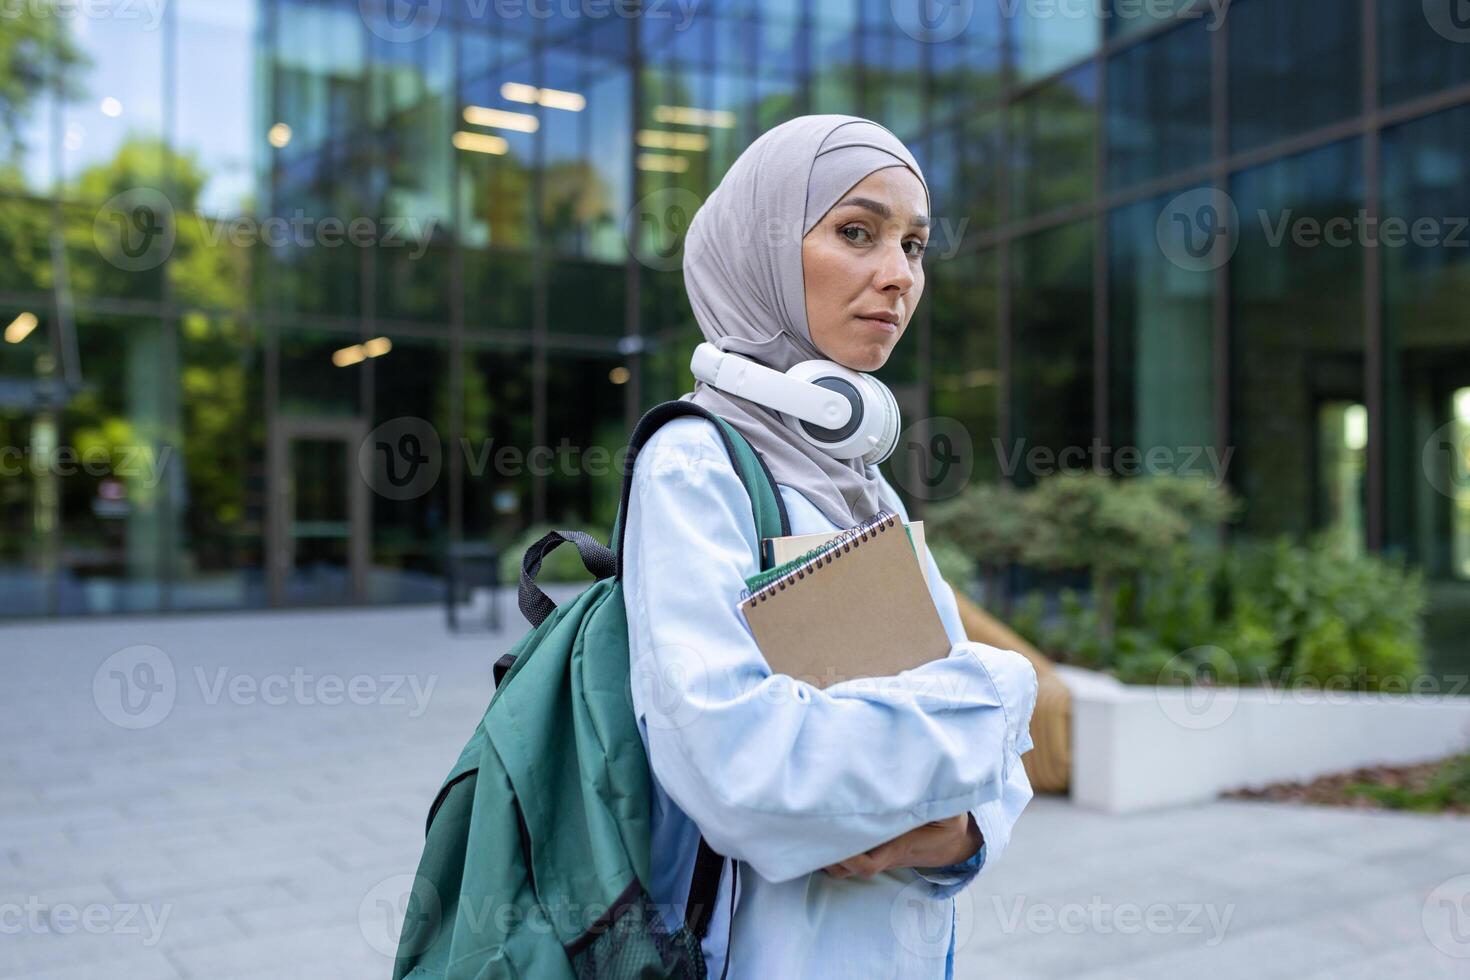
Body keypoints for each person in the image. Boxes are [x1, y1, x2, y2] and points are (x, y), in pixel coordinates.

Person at [621, 114, 1037, 979]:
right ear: (760, 251)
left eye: (916, 246)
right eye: (857, 232)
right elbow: (741, 768)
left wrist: (952, 831)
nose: (899, 277)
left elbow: (988, 789)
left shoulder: (860, 478)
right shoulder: (696, 463)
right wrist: (1001, 696)